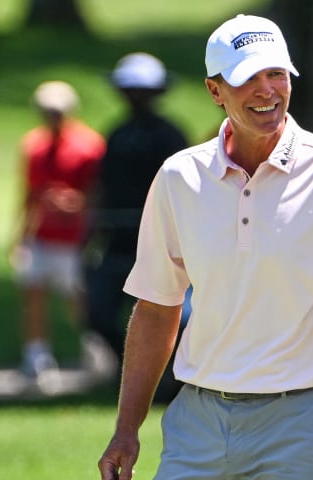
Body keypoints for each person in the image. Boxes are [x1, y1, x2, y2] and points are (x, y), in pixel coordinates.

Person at [97, 14, 313, 480]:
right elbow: (156, 308)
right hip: (197, 419)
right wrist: (126, 429)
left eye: (277, 73)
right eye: (247, 78)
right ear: (215, 91)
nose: (267, 90)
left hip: (306, 420)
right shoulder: (179, 177)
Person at [83, 52, 189, 394]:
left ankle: (165, 379)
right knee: (98, 313)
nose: (135, 97)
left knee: (166, 315)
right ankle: (127, 369)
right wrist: (90, 233)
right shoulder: (115, 135)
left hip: (159, 245)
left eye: (143, 90)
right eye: (130, 90)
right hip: (116, 242)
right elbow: (102, 188)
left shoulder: (172, 136)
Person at [11, 80, 106, 385]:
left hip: (75, 238)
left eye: (57, 111)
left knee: (78, 298)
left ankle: (96, 351)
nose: (51, 117)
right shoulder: (33, 146)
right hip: (41, 235)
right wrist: (20, 235)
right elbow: (28, 194)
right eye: (46, 111)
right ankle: (36, 355)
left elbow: (96, 192)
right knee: (33, 293)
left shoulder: (88, 146)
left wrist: (74, 204)